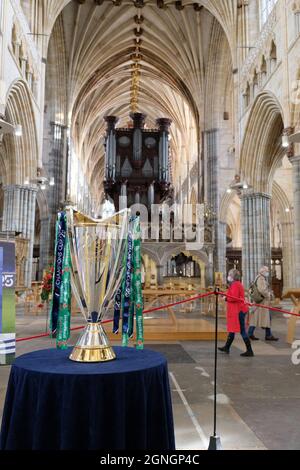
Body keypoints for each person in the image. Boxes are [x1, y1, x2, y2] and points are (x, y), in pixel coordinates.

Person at [218, 269, 254, 357]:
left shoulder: (235, 285)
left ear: (233, 276)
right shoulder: (235, 284)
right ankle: (227, 347)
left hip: (238, 310)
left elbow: (233, 297)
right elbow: (232, 294)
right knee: (232, 329)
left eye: (229, 275)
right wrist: (225, 295)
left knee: (242, 330)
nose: (228, 276)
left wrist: (225, 298)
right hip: (237, 309)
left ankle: (249, 350)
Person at [248, 266, 278, 341]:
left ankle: (251, 333)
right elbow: (262, 290)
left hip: (260, 302)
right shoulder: (261, 278)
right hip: (262, 302)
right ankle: (267, 335)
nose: (268, 272)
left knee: (257, 318)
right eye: (267, 271)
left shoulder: (259, 277)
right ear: (262, 272)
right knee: (265, 317)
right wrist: (269, 294)